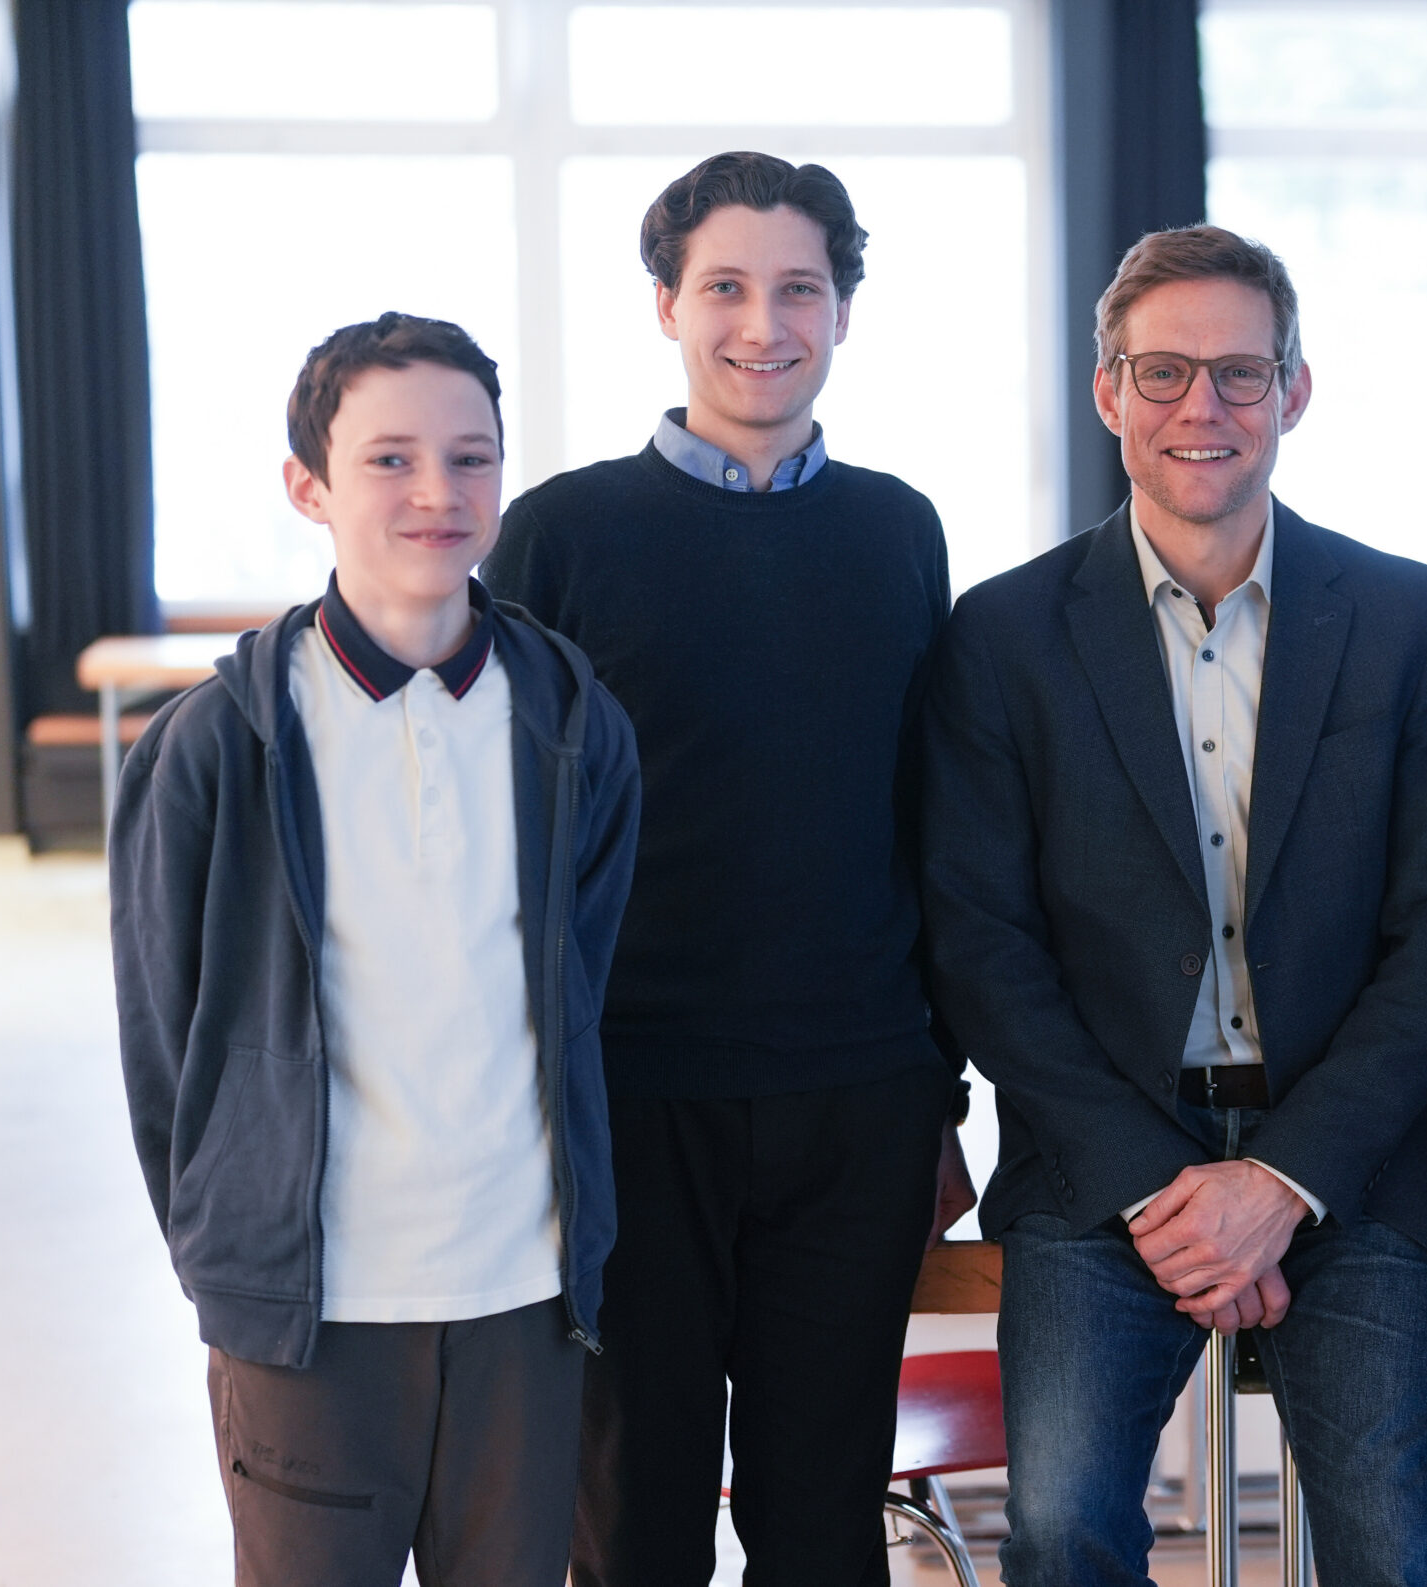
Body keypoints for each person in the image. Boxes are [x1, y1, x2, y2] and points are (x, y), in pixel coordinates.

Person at [921, 224, 1427, 1586]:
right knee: (1060, 1535)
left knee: (1391, 1549)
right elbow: (983, 944)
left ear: (1295, 392)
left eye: (1242, 373)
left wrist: (1281, 1179)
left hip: (1356, 1155)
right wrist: (1172, 1190)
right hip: (1102, 1155)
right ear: (1110, 389)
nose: (1204, 408)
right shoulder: (1003, 637)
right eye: (1165, 371)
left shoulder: (1408, 619)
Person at [482, 152, 974, 1586]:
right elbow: (513, 838)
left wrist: (939, 1098)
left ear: (842, 311)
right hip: (633, 1100)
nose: (765, 323)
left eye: (799, 289)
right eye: (727, 288)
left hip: (858, 1097)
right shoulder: (562, 534)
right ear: (666, 306)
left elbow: (922, 821)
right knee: (632, 1521)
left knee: (826, 1524)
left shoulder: (899, 528)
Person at [111, 312, 642, 1587]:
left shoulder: (572, 717)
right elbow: (160, 1048)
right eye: (390, 459)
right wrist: (228, 1253)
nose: (437, 493)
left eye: (471, 458)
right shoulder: (211, 745)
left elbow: (586, 974)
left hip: (522, 1289)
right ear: (310, 486)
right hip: (313, 1309)